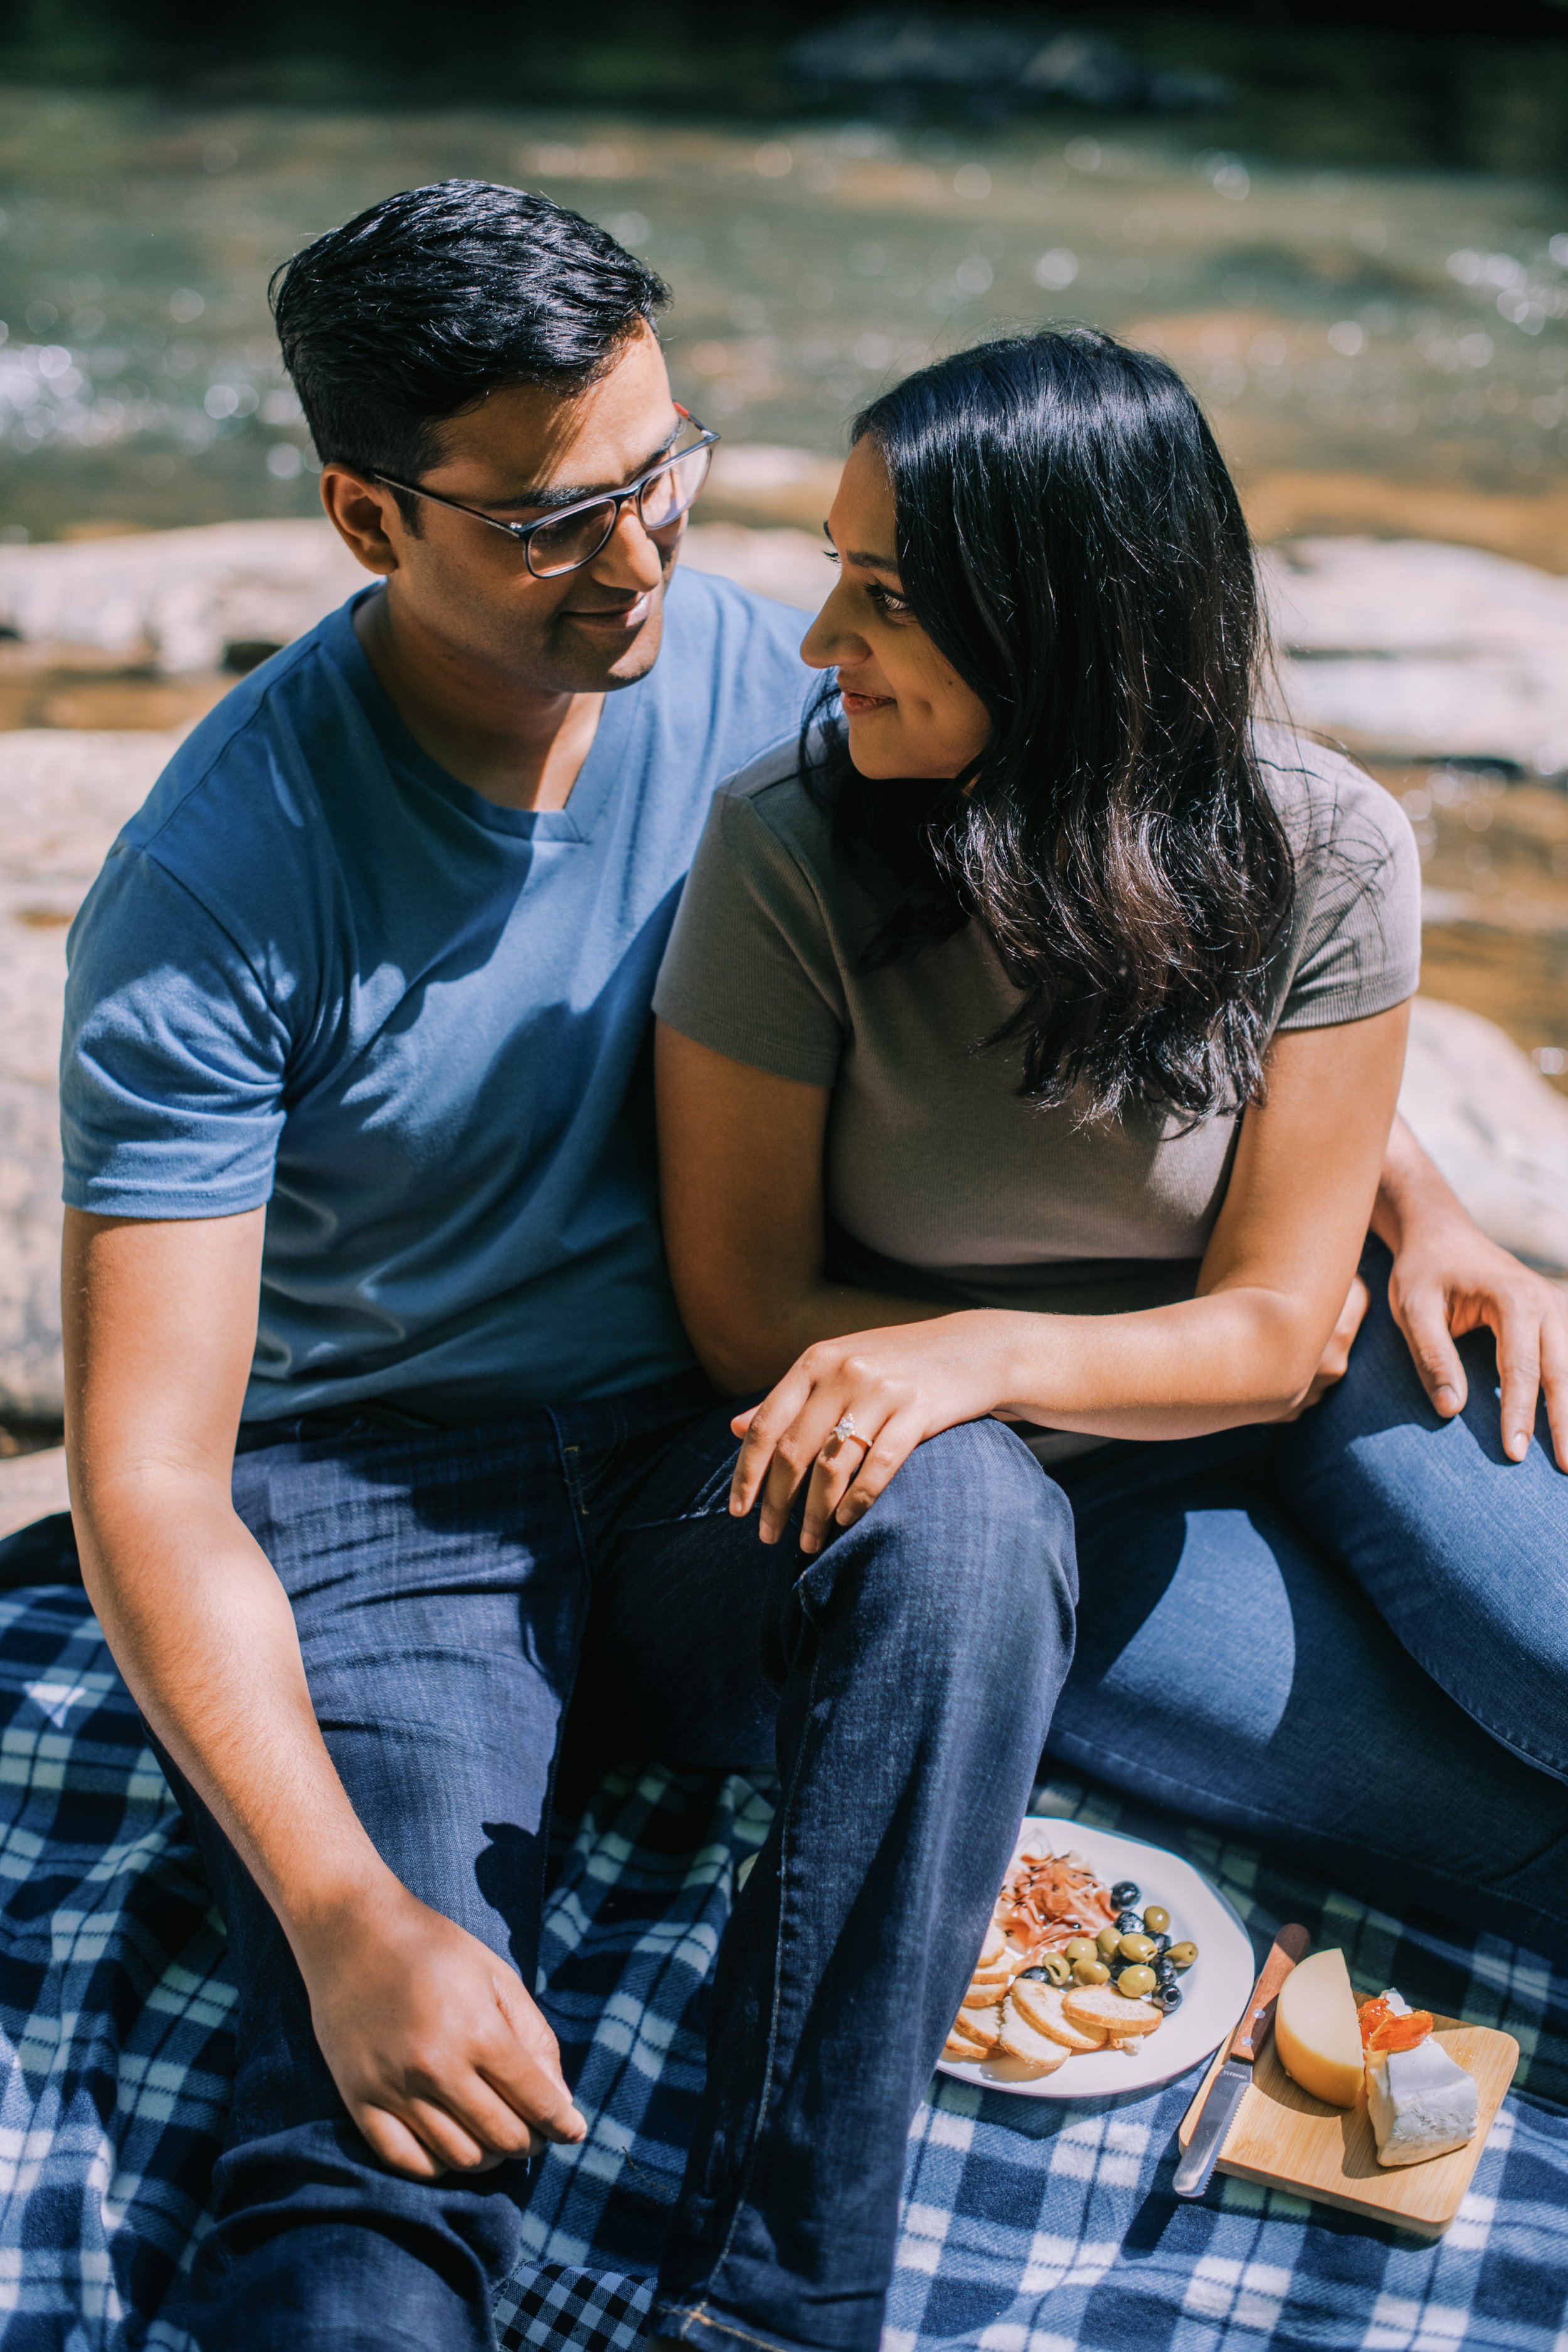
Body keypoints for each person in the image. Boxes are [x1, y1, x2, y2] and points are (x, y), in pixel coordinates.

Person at [51, 179, 1560, 2349]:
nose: (645, 556)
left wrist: (1413, 1192)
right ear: (369, 520)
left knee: (955, 1505)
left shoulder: (753, 667)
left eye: (662, 474)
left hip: (721, 1457)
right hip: (399, 1502)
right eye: (557, 519)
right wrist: (330, 1906)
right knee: (374, 2142)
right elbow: (156, 1477)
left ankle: (780, 2303)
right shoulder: (213, 894)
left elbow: (1113, 881)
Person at [652, 326, 1568, 1987]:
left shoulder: (1324, 842)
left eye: (890, 594)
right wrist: (976, 1384)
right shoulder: (784, 856)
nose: (818, 639)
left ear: (1062, 622)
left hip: (1311, 1367)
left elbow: (1284, 1330)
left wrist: (1417, 1206)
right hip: (1027, 1491)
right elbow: (741, 1305)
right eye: (834, 572)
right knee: (1505, 1842)